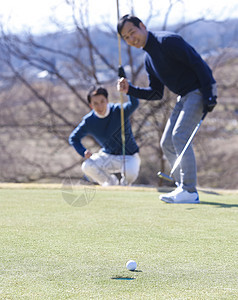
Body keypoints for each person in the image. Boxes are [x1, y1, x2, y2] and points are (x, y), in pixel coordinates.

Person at [117, 15, 217, 203]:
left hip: (198, 92)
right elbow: (156, 93)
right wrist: (130, 89)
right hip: (184, 97)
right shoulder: (149, 59)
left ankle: (189, 190)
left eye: (132, 32)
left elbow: (198, 63)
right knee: (167, 143)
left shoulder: (167, 41)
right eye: (126, 37)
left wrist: (210, 93)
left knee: (179, 137)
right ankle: (183, 188)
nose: (131, 39)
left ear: (143, 26)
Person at [69, 86, 141, 186]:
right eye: (95, 103)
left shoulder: (118, 110)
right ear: (91, 105)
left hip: (129, 156)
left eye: (102, 101)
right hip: (108, 156)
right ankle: (111, 183)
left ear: (107, 101)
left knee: (131, 174)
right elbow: (73, 138)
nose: (100, 106)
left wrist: (127, 88)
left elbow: (135, 104)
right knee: (87, 166)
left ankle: (124, 186)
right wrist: (83, 151)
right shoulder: (89, 121)